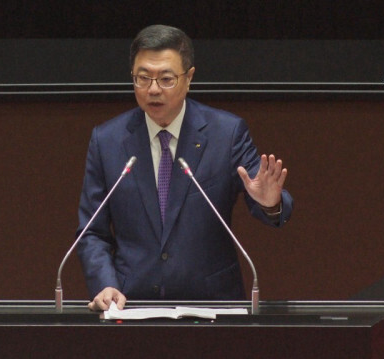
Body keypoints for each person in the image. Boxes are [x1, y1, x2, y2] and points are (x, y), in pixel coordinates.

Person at [76, 24, 293, 311]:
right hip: (131, 306)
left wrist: (270, 202)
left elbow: (266, 199)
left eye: (166, 79)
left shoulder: (226, 133)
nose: (153, 89)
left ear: (188, 78)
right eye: (143, 78)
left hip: (213, 305)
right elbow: (92, 232)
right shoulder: (108, 140)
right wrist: (105, 283)